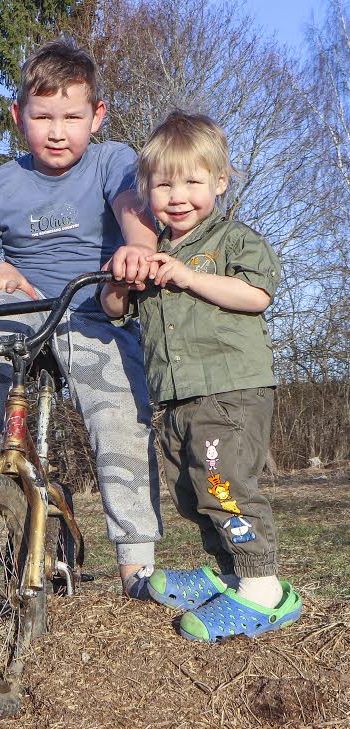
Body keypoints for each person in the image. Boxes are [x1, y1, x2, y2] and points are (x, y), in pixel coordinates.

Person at [0, 38, 163, 598]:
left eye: (73, 117)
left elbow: (133, 208)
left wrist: (136, 249)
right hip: (24, 310)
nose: (57, 131)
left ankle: (136, 566)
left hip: (93, 309)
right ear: (17, 115)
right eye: (42, 116)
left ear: (97, 116)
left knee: (119, 416)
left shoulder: (111, 161)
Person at [101, 110, 301, 640]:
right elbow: (114, 308)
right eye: (164, 183)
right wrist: (121, 277)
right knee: (192, 491)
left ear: (219, 182)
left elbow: (256, 296)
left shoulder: (231, 240)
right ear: (146, 190)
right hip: (177, 399)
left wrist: (190, 277)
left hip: (230, 391)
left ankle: (264, 590)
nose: (178, 194)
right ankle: (232, 574)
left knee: (224, 483)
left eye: (193, 181)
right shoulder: (149, 252)